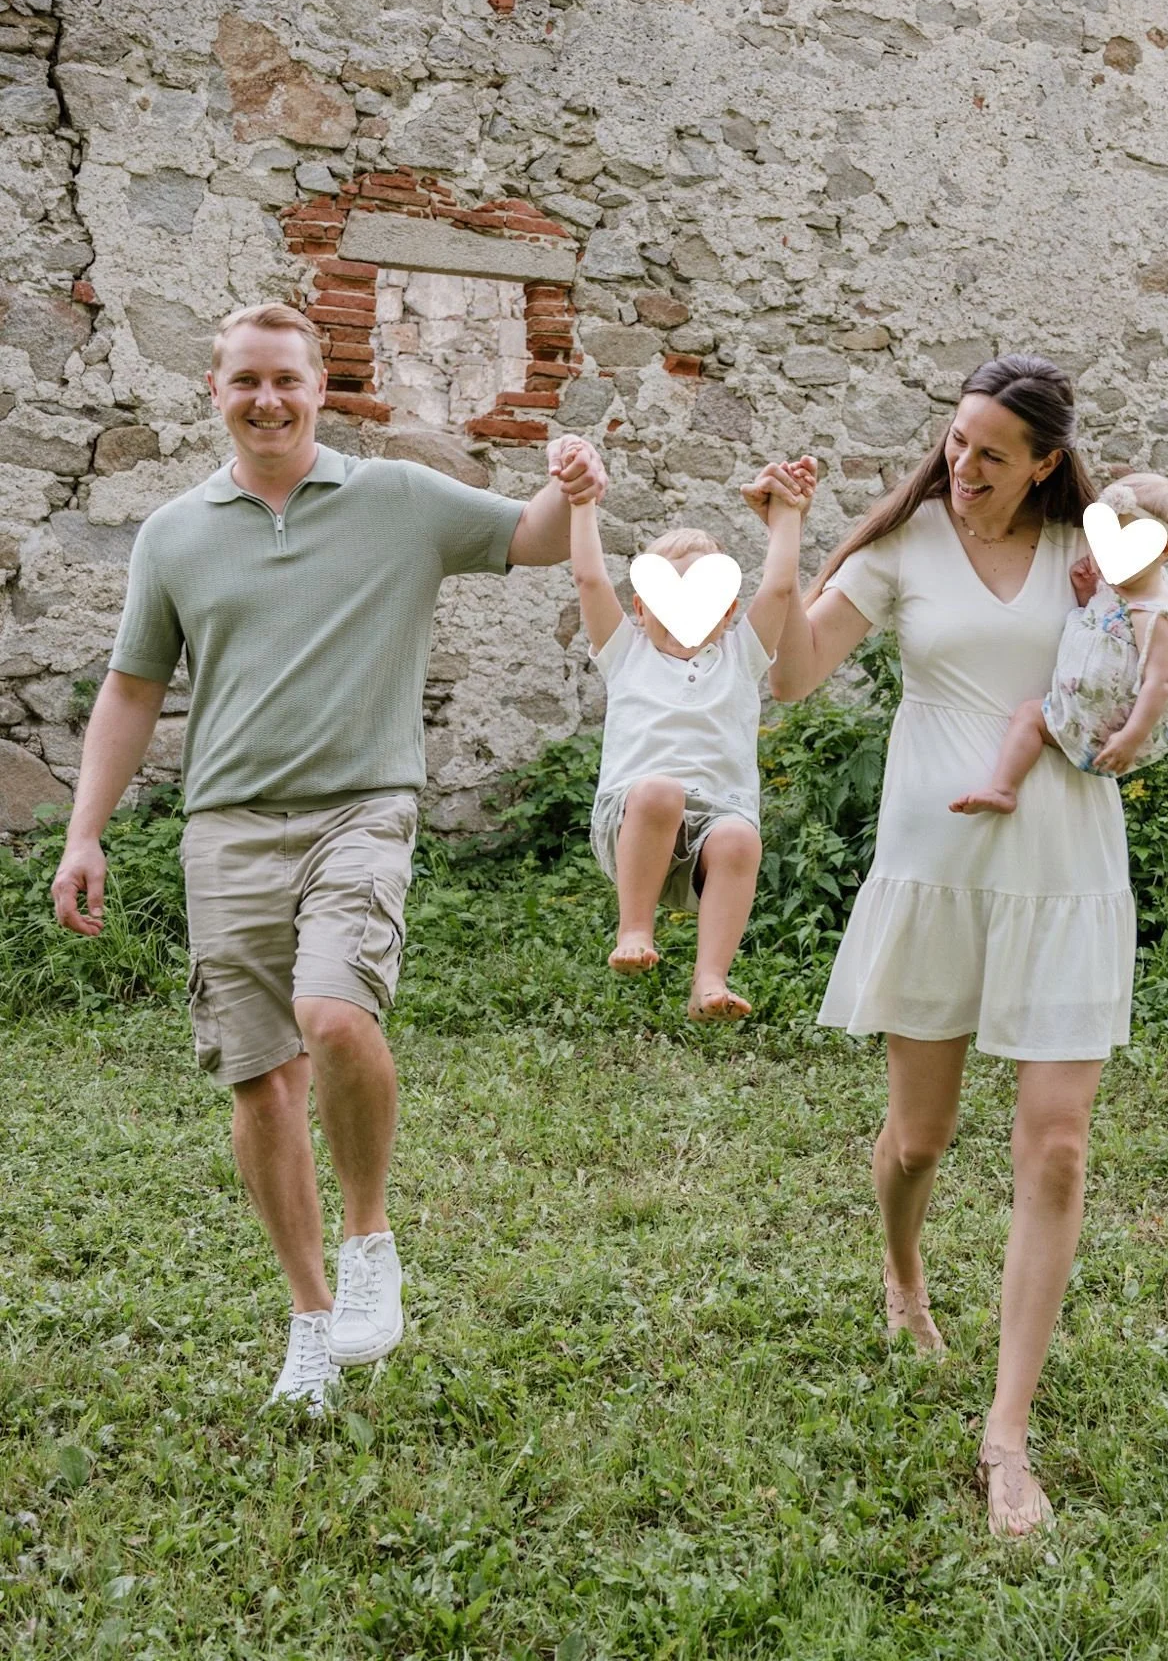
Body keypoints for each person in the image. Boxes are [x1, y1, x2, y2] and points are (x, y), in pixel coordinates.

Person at [51, 304, 608, 1414]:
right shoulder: (174, 533)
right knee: (260, 1084)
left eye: (288, 379)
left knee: (336, 1016)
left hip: (360, 807)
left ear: (322, 387)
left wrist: (574, 478)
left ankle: (368, 1240)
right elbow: (132, 688)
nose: (268, 398)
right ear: (214, 389)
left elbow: (535, 536)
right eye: (245, 379)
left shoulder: (394, 498)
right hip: (226, 827)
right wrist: (84, 828)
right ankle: (310, 1318)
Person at [751, 355, 1136, 1538]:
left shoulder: (1097, 554)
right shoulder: (906, 543)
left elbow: (1148, 678)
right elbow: (793, 672)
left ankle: (1006, 1438)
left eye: (991, 453)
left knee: (1057, 1148)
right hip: (937, 867)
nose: (963, 467)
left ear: (1047, 466)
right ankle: (904, 1272)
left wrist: (1133, 729)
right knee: (920, 1136)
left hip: (1066, 869)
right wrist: (783, 536)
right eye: (957, 441)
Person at [561, 442, 814, 1020]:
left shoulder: (741, 655)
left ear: (727, 613)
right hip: (635, 822)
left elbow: (777, 589)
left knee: (741, 838)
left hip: (713, 827)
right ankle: (635, 930)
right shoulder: (625, 652)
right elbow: (588, 579)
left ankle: (709, 983)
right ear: (641, 608)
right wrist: (583, 503)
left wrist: (788, 515)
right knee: (661, 791)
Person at [950, 470, 1168, 813]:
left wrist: (1131, 738)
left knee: (1029, 715)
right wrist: (1087, 596)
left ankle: (1003, 788)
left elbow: (1159, 682)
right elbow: (1105, 634)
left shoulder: (1154, 615)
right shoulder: (1118, 587)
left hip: (1106, 728)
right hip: (1080, 709)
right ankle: (1003, 791)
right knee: (1030, 717)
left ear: (1162, 549)